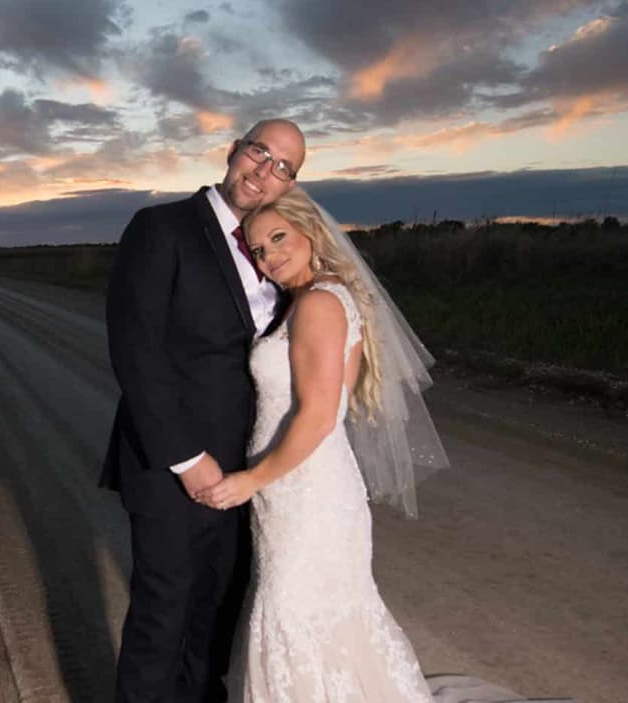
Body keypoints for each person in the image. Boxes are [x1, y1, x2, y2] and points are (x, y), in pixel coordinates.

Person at [193, 186, 450, 701]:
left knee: (295, 615)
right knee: (306, 616)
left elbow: (319, 416)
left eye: (279, 237)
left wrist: (250, 480)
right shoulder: (308, 301)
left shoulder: (318, 304)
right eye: (259, 250)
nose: (270, 256)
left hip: (308, 493)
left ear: (310, 231)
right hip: (290, 490)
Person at [101, 118, 305, 703]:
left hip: (249, 469)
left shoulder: (279, 247)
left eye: (283, 168)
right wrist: (188, 461)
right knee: (164, 615)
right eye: (260, 152)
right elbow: (136, 350)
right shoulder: (160, 228)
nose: (265, 172)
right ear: (234, 151)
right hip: (173, 465)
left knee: (216, 616)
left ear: (289, 186)